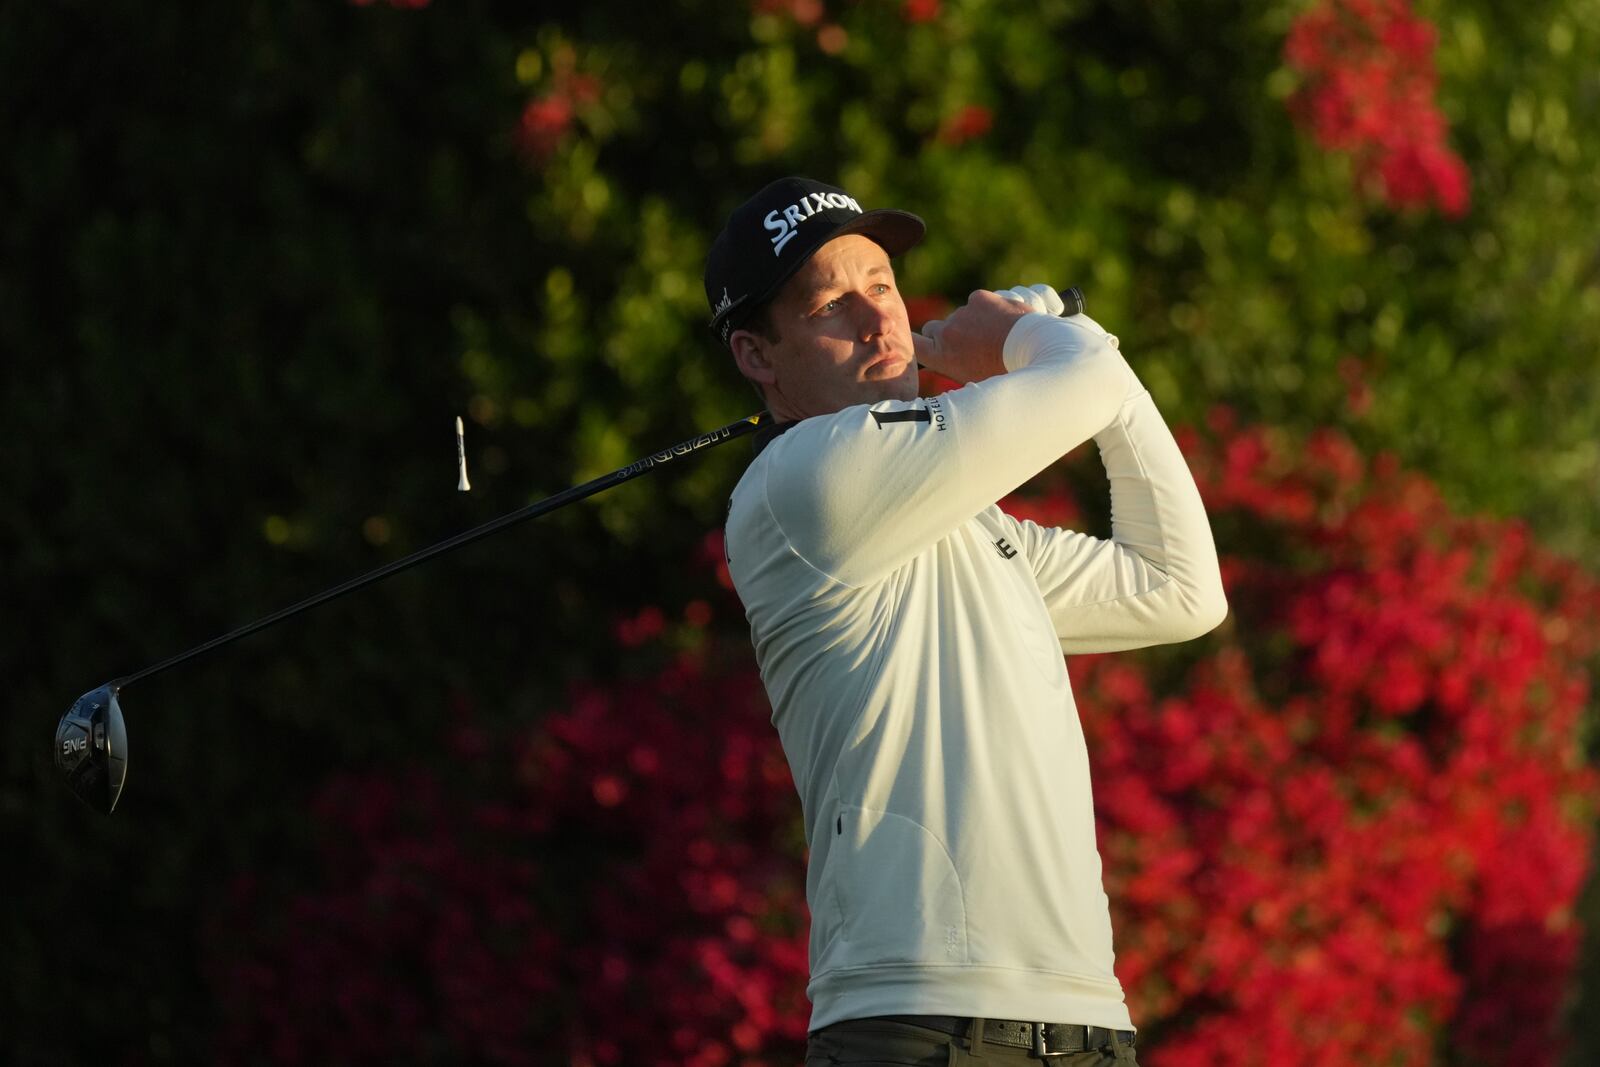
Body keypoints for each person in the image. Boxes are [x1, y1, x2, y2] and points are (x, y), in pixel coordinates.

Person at [704, 177, 1227, 1066]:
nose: (879, 321)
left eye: (883, 286)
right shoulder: (799, 487)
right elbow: (1085, 382)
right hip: (913, 1021)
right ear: (758, 355)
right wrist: (1031, 337)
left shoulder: (982, 532)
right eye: (833, 303)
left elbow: (1178, 586)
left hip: (1087, 1019)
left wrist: (1079, 348)